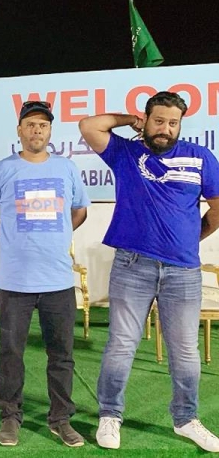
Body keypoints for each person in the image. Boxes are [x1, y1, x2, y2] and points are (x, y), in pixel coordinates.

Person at [79, 91, 219, 452]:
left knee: (185, 350)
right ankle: (110, 415)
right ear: (147, 119)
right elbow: (88, 125)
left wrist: (191, 236)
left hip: (183, 272)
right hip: (132, 266)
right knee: (122, 344)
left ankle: (186, 419)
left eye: (173, 123)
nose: (166, 129)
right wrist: (128, 122)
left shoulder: (201, 157)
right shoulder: (126, 153)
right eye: (159, 121)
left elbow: (217, 208)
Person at [0, 100, 90, 448]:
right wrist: (11, 238)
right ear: (19, 131)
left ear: (50, 131)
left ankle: (60, 419)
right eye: (30, 124)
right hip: (16, 282)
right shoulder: (3, 169)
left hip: (58, 281)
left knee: (62, 355)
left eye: (43, 125)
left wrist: (58, 237)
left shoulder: (67, 169)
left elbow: (80, 210)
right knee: (11, 353)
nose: (36, 130)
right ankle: (10, 417)